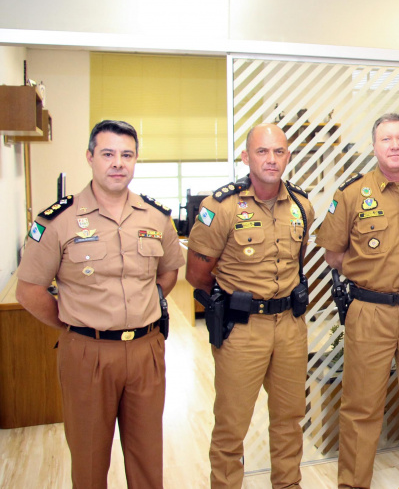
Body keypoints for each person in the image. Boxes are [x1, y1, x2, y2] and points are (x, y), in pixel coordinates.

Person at [16, 120, 184, 488]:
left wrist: (145, 305)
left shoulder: (156, 217)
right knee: (90, 460)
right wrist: (72, 324)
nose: (117, 163)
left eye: (126, 155)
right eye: (108, 154)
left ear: (136, 160)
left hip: (146, 351)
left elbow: (169, 272)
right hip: (86, 354)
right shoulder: (58, 221)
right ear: (90, 157)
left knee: (147, 458)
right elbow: (28, 291)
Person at [316, 113, 399, 489]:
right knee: (361, 405)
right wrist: (371, 278)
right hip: (369, 312)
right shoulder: (351, 193)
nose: (395, 145)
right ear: (374, 146)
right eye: (387, 139)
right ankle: (353, 483)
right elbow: (333, 253)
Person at [185, 123, 315, 489]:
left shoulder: (302, 206)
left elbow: (297, 261)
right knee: (231, 425)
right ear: (246, 157)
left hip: (290, 326)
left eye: (279, 152)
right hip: (242, 329)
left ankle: (288, 484)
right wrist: (234, 300)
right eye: (262, 151)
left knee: (290, 419)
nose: (271, 160)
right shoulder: (221, 207)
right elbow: (196, 274)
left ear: (288, 156)